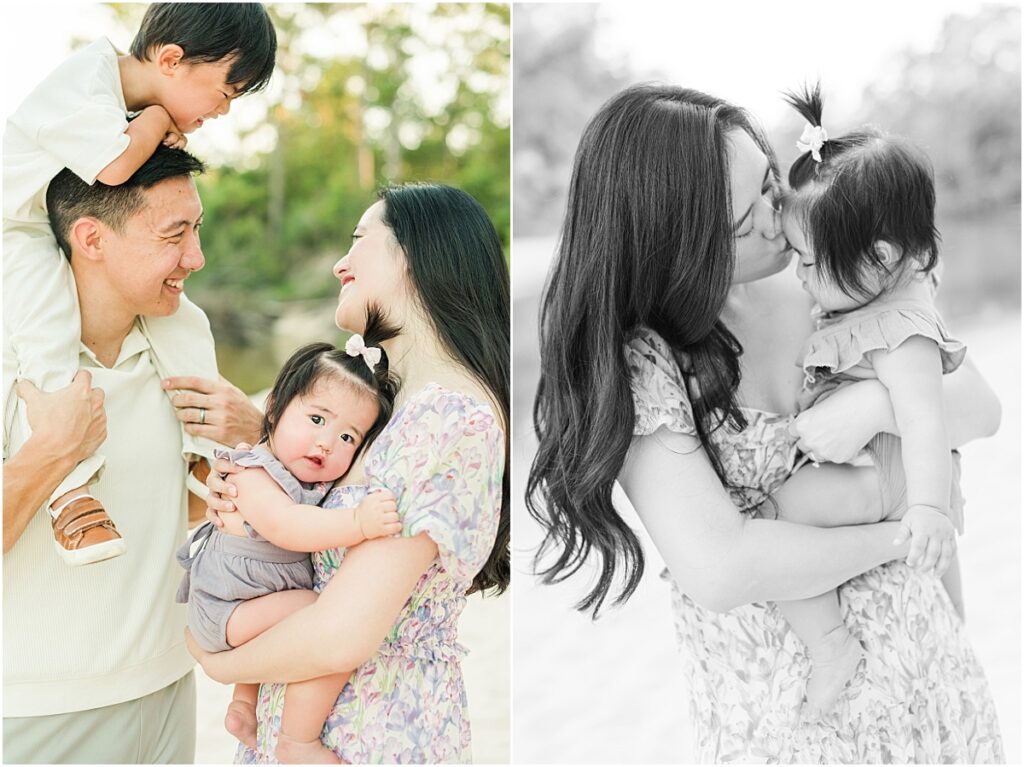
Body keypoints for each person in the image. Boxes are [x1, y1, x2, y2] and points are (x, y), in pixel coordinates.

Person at [526, 84, 1003, 762]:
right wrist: (901, 528)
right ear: (680, 241)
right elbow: (722, 566)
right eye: (748, 215)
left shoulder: (828, 275)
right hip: (793, 715)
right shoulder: (644, 364)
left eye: (771, 184)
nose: (779, 217)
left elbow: (979, 408)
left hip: (930, 677)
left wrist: (876, 407)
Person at [186, 183, 511, 763]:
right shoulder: (394, 403)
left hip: (373, 727)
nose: (341, 261)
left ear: (416, 254)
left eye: (360, 240)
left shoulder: (450, 417)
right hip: (313, 708)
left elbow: (342, 631)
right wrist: (252, 482)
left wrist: (218, 662)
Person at [2, 146, 254, 762]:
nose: (195, 258)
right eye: (174, 235)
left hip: (168, 688)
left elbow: (184, 518)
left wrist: (256, 432)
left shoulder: (180, 354)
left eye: (197, 229)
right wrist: (53, 453)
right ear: (91, 238)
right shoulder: (14, 364)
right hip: (39, 710)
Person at [3, 2, 276, 565]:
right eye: (225, 92)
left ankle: (201, 456)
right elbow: (114, 170)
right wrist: (155, 120)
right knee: (47, 331)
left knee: (189, 321)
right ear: (171, 60)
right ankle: (70, 485)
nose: (222, 111)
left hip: (45, 219)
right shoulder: (86, 85)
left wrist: (251, 431)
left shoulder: (112, 93)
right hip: (13, 229)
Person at [762, 84, 968, 716]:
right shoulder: (867, 301)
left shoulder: (899, 329)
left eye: (806, 260)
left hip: (893, 477)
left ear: (879, 258)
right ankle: (954, 630)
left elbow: (926, 421)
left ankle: (830, 647)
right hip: (883, 468)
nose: (797, 274)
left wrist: (931, 508)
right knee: (948, 599)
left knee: (769, 513)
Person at [176, 319, 403, 764]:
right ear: (275, 408)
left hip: (247, 605)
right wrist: (358, 523)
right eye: (317, 419)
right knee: (320, 616)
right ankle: (299, 740)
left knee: (302, 614)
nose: (326, 442)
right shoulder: (253, 472)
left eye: (347, 437)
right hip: (226, 610)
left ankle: (244, 706)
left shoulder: (307, 480)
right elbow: (286, 527)